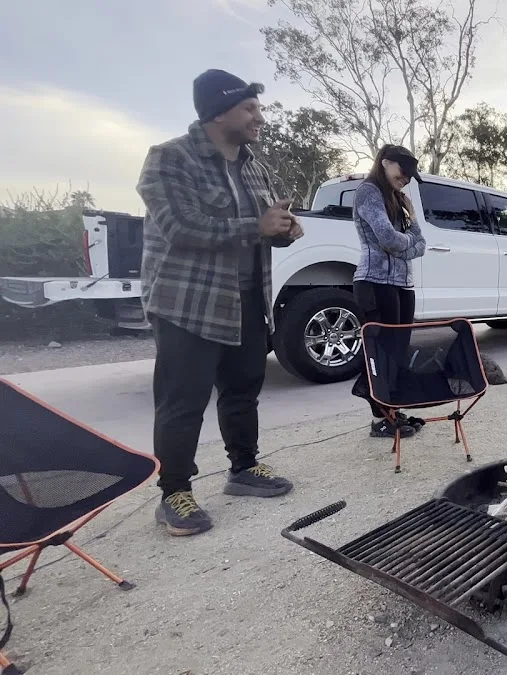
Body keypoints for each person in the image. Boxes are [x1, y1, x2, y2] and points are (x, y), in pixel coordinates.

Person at [136, 69, 302, 536]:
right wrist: (257, 226)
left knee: (243, 387)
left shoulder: (256, 166)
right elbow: (181, 229)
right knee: (182, 400)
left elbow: (268, 225)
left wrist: (285, 230)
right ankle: (174, 493)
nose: (259, 118)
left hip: (247, 296)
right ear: (218, 111)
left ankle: (243, 469)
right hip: (187, 301)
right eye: (250, 108)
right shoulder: (169, 159)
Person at [349, 145, 427, 438]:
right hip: (374, 281)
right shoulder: (369, 192)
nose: (406, 178)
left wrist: (413, 218)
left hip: (402, 285)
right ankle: (379, 418)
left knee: (396, 352)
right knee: (379, 352)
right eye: (402, 171)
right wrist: (404, 243)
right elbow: (386, 238)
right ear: (385, 163)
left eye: (410, 175)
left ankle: (392, 410)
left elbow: (421, 246)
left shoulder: (398, 200)